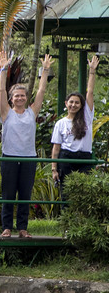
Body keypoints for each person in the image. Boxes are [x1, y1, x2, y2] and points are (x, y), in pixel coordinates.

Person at [0, 50, 52, 237]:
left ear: (26, 98)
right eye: (16, 96)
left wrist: (44, 71)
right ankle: (6, 227)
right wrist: (3, 69)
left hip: (29, 158)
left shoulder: (32, 112)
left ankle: (22, 228)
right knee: (8, 194)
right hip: (10, 157)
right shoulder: (6, 112)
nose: (20, 98)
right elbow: (1, 90)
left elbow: (41, 91)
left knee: (25, 195)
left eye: (22, 96)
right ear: (12, 99)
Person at [51, 54, 99, 201]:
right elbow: (56, 148)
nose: (73, 105)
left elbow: (89, 92)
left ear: (81, 105)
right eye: (71, 102)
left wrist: (92, 71)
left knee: (84, 193)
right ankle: (66, 221)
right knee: (66, 193)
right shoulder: (60, 123)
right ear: (66, 103)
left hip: (84, 158)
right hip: (67, 158)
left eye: (77, 102)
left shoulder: (87, 117)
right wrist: (54, 169)